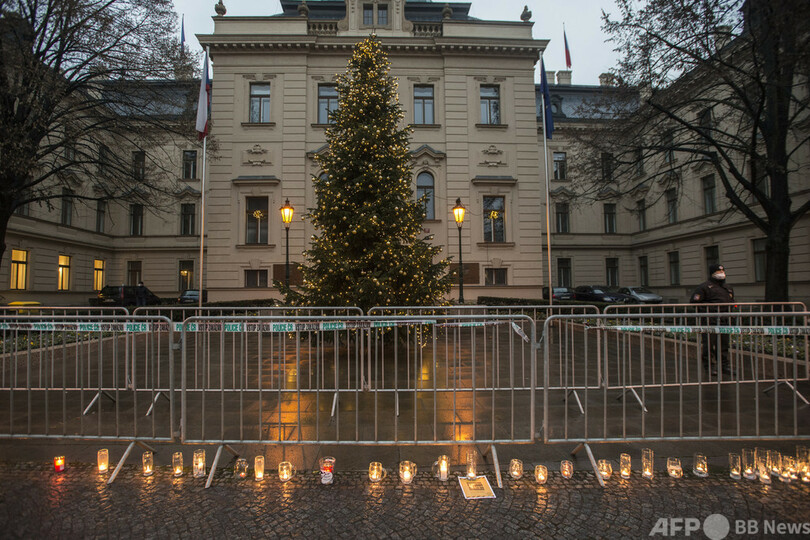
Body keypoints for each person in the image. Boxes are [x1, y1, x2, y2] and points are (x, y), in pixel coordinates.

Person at [689, 264, 734, 376]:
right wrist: (710, 309)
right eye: (718, 271)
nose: (721, 273)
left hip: (724, 320)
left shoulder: (727, 288)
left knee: (724, 345)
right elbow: (695, 302)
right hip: (710, 321)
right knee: (709, 345)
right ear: (712, 273)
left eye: (722, 271)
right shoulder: (704, 287)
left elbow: (732, 302)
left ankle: (724, 366)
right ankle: (709, 367)